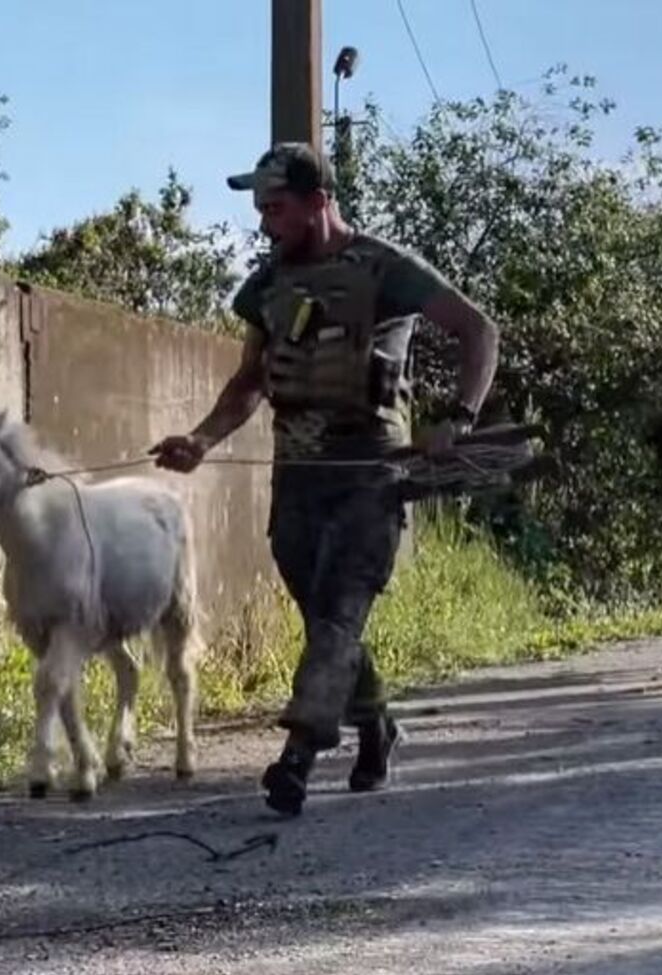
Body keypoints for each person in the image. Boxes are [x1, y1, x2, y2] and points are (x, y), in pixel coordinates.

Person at [151, 143, 500, 815]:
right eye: (261, 211)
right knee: (325, 621)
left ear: (319, 201)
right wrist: (200, 438)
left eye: (275, 209)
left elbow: (478, 330)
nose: (265, 224)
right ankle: (377, 725)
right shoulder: (268, 286)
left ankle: (299, 755)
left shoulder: (384, 268)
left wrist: (460, 416)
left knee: (341, 611)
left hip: (371, 474)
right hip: (296, 480)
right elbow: (251, 378)